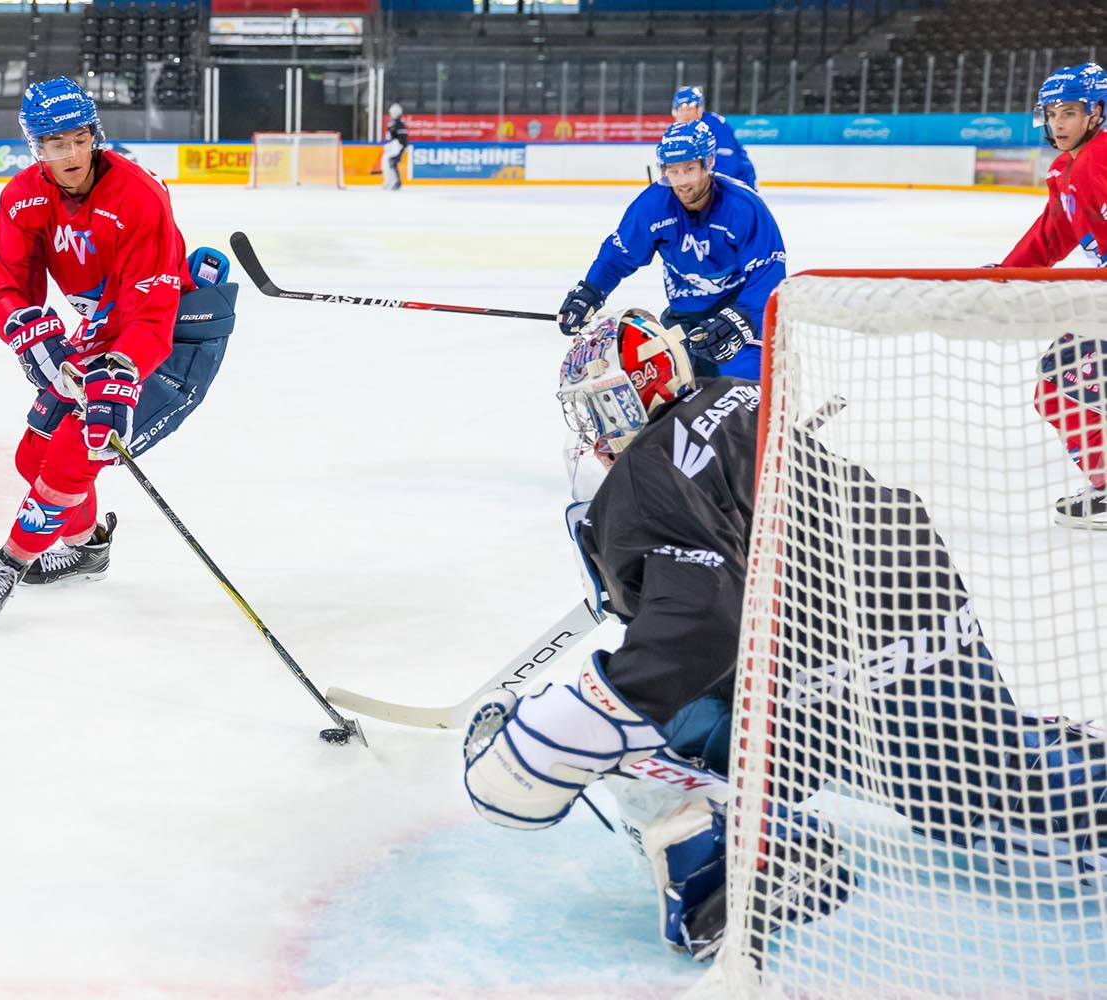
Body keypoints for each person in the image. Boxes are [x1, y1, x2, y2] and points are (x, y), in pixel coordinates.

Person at [462, 310, 1107, 960]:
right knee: (979, 781)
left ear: (636, 393)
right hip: (914, 596)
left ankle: (748, 860)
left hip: (825, 653)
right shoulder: (734, 396)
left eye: (600, 406)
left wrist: (596, 712)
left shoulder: (644, 470)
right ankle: (1048, 755)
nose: (592, 429)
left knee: (651, 739)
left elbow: (701, 612)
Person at [0, 76, 238, 622]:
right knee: (33, 457)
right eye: (55, 143)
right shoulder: (22, 198)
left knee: (75, 453)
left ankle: (9, 564)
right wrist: (25, 327)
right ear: (35, 146)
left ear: (95, 135)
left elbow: (151, 312)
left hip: (172, 340)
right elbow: (8, 286)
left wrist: (123, 370)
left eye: (79, 139)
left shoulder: (138, 195)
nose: (70, 155)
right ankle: (88, 549)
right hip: (104, 333)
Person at [555, 120, 786, 382]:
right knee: (659, 383)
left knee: (745, 377)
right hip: (684, 313)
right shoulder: (653, 206)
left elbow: (768, 272)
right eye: (673, 171)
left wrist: (743, 318)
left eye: (689, 169)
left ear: (709, 163)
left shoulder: (743, 207)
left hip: (738, 305)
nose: (682, 182)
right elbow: (618, 256)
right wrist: (590, 291)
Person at [998, 64, 1107, 528]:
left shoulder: (1100, 158)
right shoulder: (1067, 168)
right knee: (1060, 385)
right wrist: (1006, 274)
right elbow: (1051, 234)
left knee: (1058, 386)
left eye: (1070, 112)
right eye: (1051, 113)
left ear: (1096, 112)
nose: (1058, 124)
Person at [671, 85, 757, 189]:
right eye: (681, 110)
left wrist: (709, 186)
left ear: (699, 109)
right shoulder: (679, 131)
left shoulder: (715, 124)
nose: (685, 114)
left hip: (738, 181)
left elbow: (727, 160)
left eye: (689, 109)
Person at [382, 103, 409, 191]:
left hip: (397, 147)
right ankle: (390, 181)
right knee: (389, 163)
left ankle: (396, 182)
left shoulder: (399, 124)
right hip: (392, 147)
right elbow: (390, 136)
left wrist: (402, 147)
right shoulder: (392, 123)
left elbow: (402, 137)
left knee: (392, 163)